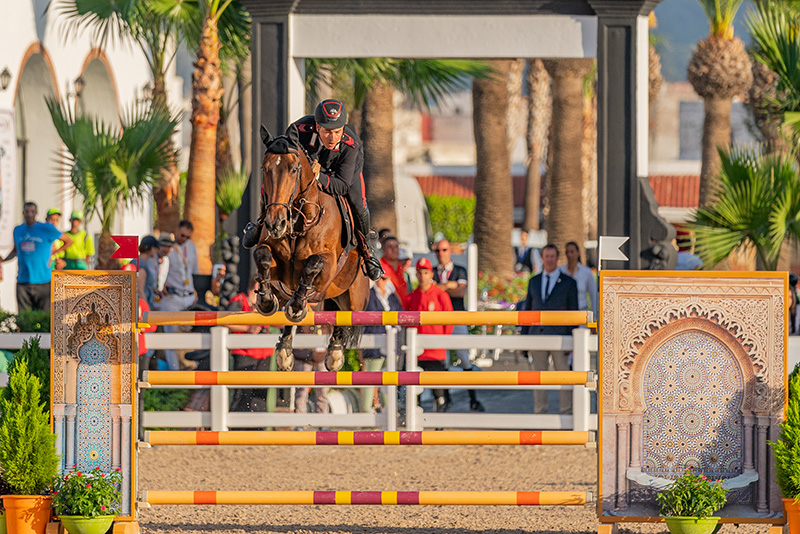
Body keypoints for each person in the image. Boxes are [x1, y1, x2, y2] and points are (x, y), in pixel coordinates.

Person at [283, 98, 383, 280]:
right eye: (327, 132)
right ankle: (259, 226)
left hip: (342, 174)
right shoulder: (298, 130)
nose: (333, 138)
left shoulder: (351, 146)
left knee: (358, 203)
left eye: (337, 132)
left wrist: (319, 176)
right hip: (307, 173)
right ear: (317, 126)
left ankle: (368, 251)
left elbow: (342, 185)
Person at [521, 243, 578, 415]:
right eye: (547, 256)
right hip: (537, 336)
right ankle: (540, 413)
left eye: (553, 256)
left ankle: (567, 412)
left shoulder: (569, 283)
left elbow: (573, 312)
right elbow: (527, 310)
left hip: (560, 337)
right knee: (538, 378)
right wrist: (524, 340)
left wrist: (572, 341)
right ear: (542, 258)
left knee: (564, 377)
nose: (550, 259)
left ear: (557, 258)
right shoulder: (534, 281)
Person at [433, 239, 484, 412]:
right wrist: (449, 286)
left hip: (457, 317)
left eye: (444, 250)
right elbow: (430, 291)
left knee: (464, 358)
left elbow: (461, 291)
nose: (441, 253)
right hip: (439, 320)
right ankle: (445, 401)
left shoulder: (460, 270)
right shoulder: (432, 272)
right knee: (443, 360)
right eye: (438, 250)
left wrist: (441, 288)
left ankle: (473, 399)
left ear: (450, 251)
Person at [404, 257, 454, 412]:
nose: (422, 276)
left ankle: (439, 425)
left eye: (426, 272)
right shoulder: (411, 297)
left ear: (431, 274)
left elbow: (450, 321)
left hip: (435, 353)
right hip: (416, 352)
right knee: (414, 393)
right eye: (420, 273)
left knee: (438, 392)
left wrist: (440, 343)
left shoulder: (440, 295)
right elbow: (405, 322)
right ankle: (414, 425)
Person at [2, 202, 73, 311]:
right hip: (23, 282)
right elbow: (15, 250)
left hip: (43, 282)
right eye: (27, 212)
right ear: (23, 213)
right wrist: (3, 260)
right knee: (25, 319)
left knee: (44, 318)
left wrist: (53, 253)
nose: (29, 214)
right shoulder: (18, 230)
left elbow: (68, 241)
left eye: (32, 212)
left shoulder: (47, 229)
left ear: (36, 213)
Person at [227, 276, 276, 412]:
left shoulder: (267, 304)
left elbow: (280, 322)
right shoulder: (239, 300)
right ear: (254, 287)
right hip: (244, 352)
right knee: (242, 394)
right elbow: (226, 321)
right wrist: (248, 328)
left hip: (264, 354)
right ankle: (237, 430)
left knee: (260, 395)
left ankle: (258, 429)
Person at [362, 271, 403, 413]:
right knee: (371, 377)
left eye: (384, 278)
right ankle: (366, 410)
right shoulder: (368, 294)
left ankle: (390, 409)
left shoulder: (392, 296)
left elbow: (401, 314)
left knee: (389, 378)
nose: (381, 280)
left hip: (392, 342)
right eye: (378, 277)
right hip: (374, 341)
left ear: (388, 279)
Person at [160, 221, 199, 370]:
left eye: (187, 237)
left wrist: (196, 291)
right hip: (172, 297)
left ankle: (192, 366)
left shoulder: (191, 247)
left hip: (188, 296)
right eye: (182, 235)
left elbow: (195, 270)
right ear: (176, 230)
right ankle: (174, 372)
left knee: (192, 333)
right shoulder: (167, 247)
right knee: (170, 337)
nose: (184, 239)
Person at [559, 241, 598, 322]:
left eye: (572, 252)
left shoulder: (586, 272)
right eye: (567, 252)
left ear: (578, 253)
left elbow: (593, 296)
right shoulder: (560, 271)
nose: (569, 255)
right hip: (564, 315)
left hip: (582, 314)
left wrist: (594, 318)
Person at [379, 236, 408, 304]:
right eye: (390, 247)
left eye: (396, 246)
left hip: (403, 309)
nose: (394, 249)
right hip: (388, 309)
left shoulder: (401, 267)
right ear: (383, 249)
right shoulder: (379, 267)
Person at [135, 236, 160, 309]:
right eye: (156, 249)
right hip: (141, 308)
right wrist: (146, 310)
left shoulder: (137, 262)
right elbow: (140, 290)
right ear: (152, 249)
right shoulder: (142, 265)